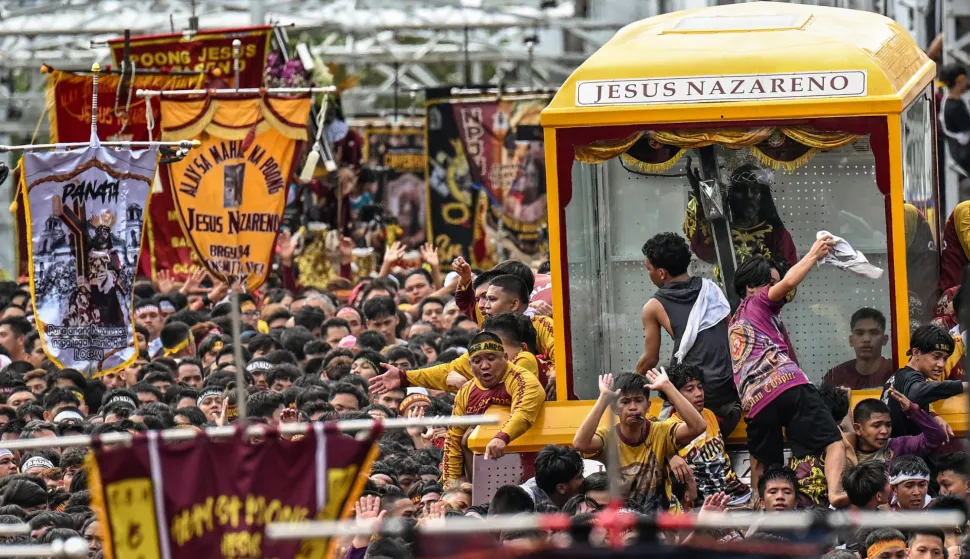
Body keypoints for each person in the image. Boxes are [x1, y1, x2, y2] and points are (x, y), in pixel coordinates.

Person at [730, 235, 846, 507]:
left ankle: (760, 506)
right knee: (833, 442)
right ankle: (836, 491)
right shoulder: (758, 303)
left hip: (755, 401)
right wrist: (814, 253)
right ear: (750, 287)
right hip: (788, 384)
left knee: (764, 462)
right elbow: (791, 281)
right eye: (770, 283)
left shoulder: (736, 320)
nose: (778, 288)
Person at [636, 232, 739, 435]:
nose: (648, 274)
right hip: (726, 393)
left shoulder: (653, 307)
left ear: (662, 273)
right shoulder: (712, 289)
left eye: (649, 269)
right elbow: (734, 334)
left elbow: (650, 358)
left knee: (658, 435)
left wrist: (629, 384)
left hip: (690, 395)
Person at [572, 370, 706, 508]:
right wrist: (604, 398)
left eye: (639, 400)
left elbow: (698, 427)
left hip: (661, 521)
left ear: (648, 406)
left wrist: (668, 387)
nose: (633, 407)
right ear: (614, 408)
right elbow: (580, 443)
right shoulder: (608, 437)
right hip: (624, 520)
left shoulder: (662, 431)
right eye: (625, 402)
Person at [441, 332, 544, 482]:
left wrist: (501, 437)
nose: (484, 366)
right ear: (470, 365)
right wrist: (450, 486)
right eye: (477, 361)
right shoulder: (465, 392)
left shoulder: (523, 379)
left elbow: (523, 413)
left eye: (491, 358)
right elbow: (453, 440)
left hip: (533, 466)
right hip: (483, 474)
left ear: (505, 358)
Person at [684, 160, 797, 273]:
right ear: (731, 196)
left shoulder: (777, 235)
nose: (748, 196)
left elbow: (788, 276)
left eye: (754, 190)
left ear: (763, 196)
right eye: (741, 190)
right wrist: (701, 199)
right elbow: (702, 249)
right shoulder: (723, 230)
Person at [663, 363, 749, 507]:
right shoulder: (669, 427)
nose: (699, 393)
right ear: (672, 397)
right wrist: (669, 457)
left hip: (738, 495)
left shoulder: (710, 415)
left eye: (700, 387)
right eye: (690, 389)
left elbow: (733, 412)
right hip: (704, 503)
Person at [882, 324, 965, 438]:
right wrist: (963, 386)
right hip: (905, 455)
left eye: (945, 358)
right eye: (936, 356)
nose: (941, 364)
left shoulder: (899, 376)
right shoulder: (910, 379)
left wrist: (932, 415)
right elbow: (916, 393)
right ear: (916, 353)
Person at [850, 393, 947, 465]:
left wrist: (913, 410)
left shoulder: (898, 446)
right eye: (876, 425)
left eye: (888, 425)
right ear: (858, 428)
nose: (884, 431)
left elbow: (937, 437)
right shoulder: (847, 452)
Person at [823, 308, 894, 389]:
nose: (866, 339)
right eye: (860, 333)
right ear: (851, 340)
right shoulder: (836, 377)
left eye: (874, 333)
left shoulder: (896, 372)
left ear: (884, 340)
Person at [520, 445, 584, 512]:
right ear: (561, 488)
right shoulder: (523, 504)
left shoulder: (550, 479)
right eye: (579, 477)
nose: (583, 480)